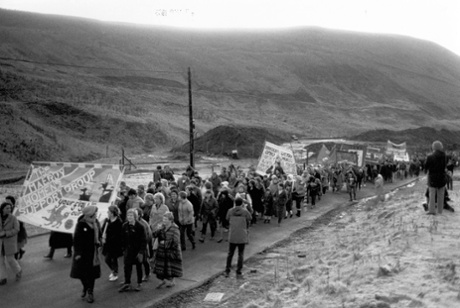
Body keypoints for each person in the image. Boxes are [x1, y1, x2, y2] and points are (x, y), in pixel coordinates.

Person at [70, 205, 102, 303]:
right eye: (95, 213)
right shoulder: (81, 224)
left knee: (91, 275)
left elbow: (99, 234)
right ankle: (85, 287)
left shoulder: (96, 222)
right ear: (90, 214)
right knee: (81, 274)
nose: (96, 214)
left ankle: (90, 292)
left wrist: (99, 241)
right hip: (82, 254)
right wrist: (78, 253)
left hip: (93, 254)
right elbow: (76, 239)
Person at [118, 209, 146, 292]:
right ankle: (127, 283)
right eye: (128, 215)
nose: (129, 217)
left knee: (138, 267)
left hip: (137, 251)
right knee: (127, 266)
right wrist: (123, 249)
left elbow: (144, 240)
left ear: (135, 217)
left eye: (131, 215)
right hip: (128, 250)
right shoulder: (125, 226)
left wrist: (141, 252)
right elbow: (122, 238)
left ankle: (139, 283)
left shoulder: (140, 227)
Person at [224, 197, 252, 279]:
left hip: (233, 234)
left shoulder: (230, 211)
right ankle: (239, 270)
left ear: (235, 203)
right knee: (240, 254)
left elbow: (227, 218)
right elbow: (250, 218)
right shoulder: (245, 212)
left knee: (230, 253)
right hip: (242, 235)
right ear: (242, 203)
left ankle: (227, 270)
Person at [154, 212, 183, 288]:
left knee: (170, 267)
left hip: (172, 251)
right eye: (163, 219)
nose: (164, 221)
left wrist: (166, 243)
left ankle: (172, 281)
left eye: (165, 219)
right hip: (162, 251)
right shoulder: (162, 227)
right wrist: (158, 230)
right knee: (161, 267)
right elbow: (155, 235)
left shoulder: (175, 229)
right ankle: (162, 280)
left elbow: (176, 241)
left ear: (170, 220)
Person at [0, 202, 22, 285]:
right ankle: (3, 278)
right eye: (7, 208)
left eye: (10, 208)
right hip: (0, 242)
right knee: (0, 261)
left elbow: (17, 229)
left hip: (9, 242)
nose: (9, 209)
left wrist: (6, 233)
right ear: (2, 209)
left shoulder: (13, 218)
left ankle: (18, 270)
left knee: (10, 259)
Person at [424, 140, 447, 215]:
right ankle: (440, 211)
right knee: (441, 195)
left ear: (433, 147)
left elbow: (426, 167)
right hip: (442, 177)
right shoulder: (444, 156)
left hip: (432, 177)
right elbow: (444, 166)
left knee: (432, 195)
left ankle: (432, 211)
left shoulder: (430, 157)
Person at [101, 205, 123, 282]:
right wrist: (103, 236)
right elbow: (103, 229)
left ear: (112, 213)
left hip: (115, 244)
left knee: (112, 259)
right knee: (107, 259)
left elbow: (119, 234)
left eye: (108, 212)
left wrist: (107, 238)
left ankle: (115, 273)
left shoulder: (119, 222)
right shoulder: (107, 220)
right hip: (108, 244)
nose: (107, 213)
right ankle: (114, 271)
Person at [5, 196, 27, 260]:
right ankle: (21, 251)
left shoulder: (16, 209)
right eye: (6, 201)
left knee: (15, 245)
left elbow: (20, 219)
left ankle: (15, 261)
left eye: (8, 201)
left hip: (18, 230)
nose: (7, 203)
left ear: (12, 202)